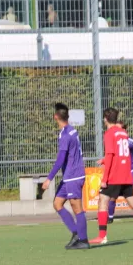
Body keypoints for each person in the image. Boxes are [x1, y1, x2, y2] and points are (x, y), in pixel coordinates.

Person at [90, 108, 133, 245]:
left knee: (102, 202)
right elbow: (121, 153)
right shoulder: (123, 133)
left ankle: (102, 236)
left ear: (105, 119)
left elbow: (111, 155)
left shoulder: (109, 133)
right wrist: (105, 160)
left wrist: (105, 178)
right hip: (126, 173)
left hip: (115, 174)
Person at [41, 103, 89, 250]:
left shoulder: (65, 135)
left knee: (77, 208)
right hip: (69, 176)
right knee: (57, 204)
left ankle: (84, 240)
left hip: (73, 176)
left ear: (56, 117)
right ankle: (76, 233)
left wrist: (49, 178)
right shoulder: (72, 130)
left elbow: (61, 159)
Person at [105, 121, 133, 224]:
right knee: (113, 195)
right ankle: (110, 216)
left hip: (132, 168)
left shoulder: (131, 141)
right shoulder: (113, 141)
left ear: (125, 130)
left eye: (120, 128)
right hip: (119, 170)